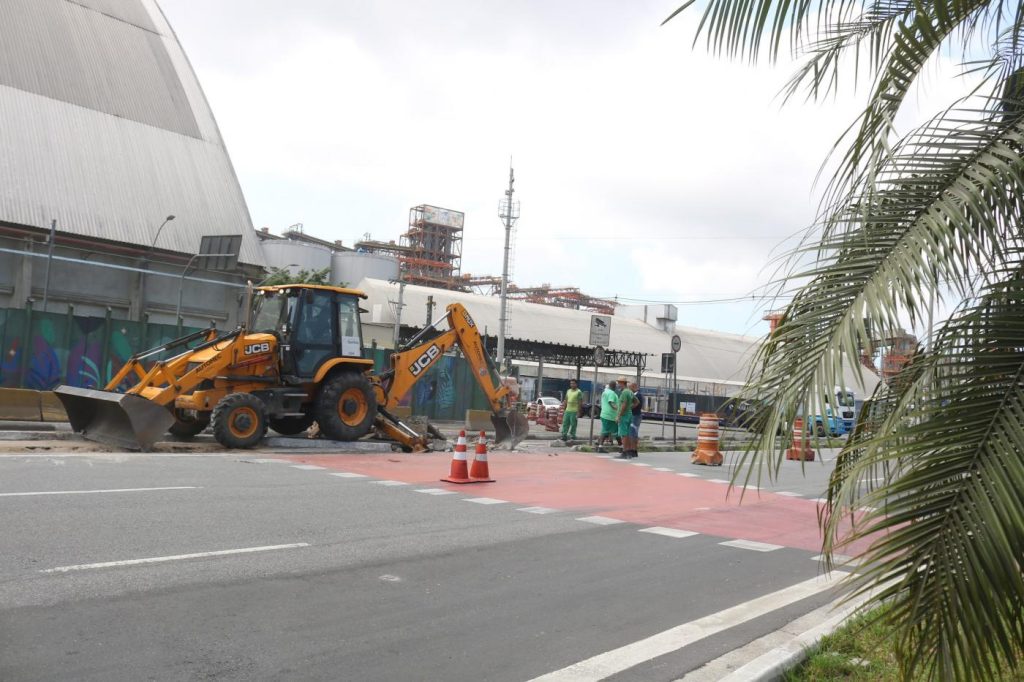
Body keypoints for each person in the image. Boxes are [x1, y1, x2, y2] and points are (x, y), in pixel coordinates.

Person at [615, 377, 636, 458]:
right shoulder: (630, 392)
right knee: (627, 434)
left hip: (623, 416)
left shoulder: (624, 392)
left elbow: (623, 405)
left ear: (622, 383)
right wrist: (629, 408)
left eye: (619, 382)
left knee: (623, 435)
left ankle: (624, 452)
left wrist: (618, 416)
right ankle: (628, 452)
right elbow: (636, 402)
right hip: (629, 415)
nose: (618, 384)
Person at [597, 381, 619, 448]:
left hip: (605, 414)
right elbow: (611, 402)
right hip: (610, 415)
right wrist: (618, 409)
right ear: (614, 386)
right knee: (606, 431)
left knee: (614, 430)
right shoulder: (611, 393)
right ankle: (600, 446)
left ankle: (621, 445)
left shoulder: (605, 392)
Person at [629, 381, 642, 457]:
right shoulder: (636, 394)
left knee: (633, 433)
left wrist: (628, 408)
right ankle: (633, 450)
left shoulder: (638, 395)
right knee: (633, 433)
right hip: (635, 415)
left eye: (630, 387)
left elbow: (636, 405)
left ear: (634, 387)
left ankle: (633, 450)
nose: (629, 389)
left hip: (635, 416)